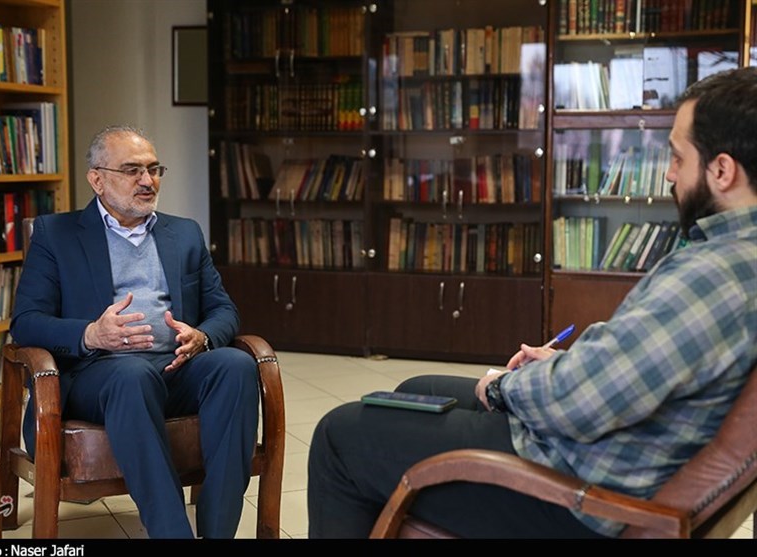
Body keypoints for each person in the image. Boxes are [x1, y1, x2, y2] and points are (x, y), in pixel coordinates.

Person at [307, 67, 757, 538]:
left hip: (575, 491)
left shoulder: (713, 275)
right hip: (600, 452)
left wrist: (502, 388)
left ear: (721, 170)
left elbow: (582, 398)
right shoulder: (734, 261)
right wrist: (562, 366)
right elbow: (631, 373)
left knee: (340, 434)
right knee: (416, 388)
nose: (669, 173)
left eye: (678, 157)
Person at [10, 125, 259, 539]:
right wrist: (92, 334)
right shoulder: (57, 235)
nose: (147, 180)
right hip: (98, 374)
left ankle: (218, 533)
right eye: (132, 170)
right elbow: (25, 322)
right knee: (132, 374)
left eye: (153, 169)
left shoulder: (185, 233)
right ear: (97, 179)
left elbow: (223, 309)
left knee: (236, 366)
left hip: (175, 368)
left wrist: (202, 336)